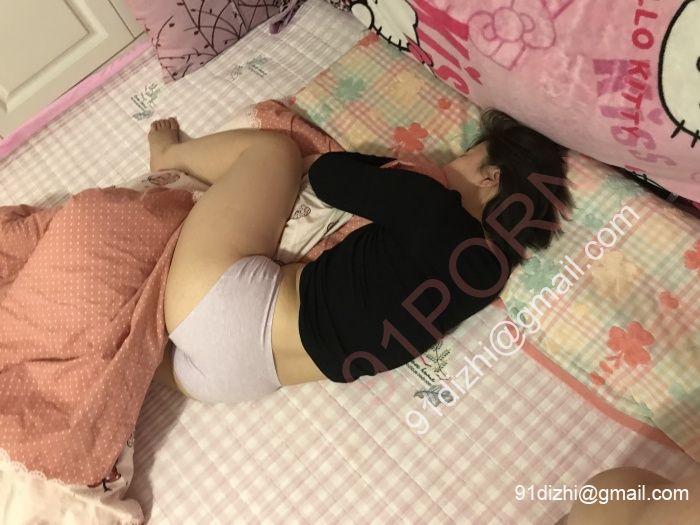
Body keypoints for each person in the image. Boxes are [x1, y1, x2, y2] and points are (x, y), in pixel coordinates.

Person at [149, 109, 572, 403]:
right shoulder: (489, 279)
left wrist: (408, 172)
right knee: (141, 343)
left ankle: (169, 156)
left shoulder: (435, 206)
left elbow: (327, 175)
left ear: (490, 177)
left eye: (463, 156)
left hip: (226, 308)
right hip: (234, 382)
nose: (449, 162)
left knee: (276, 153)